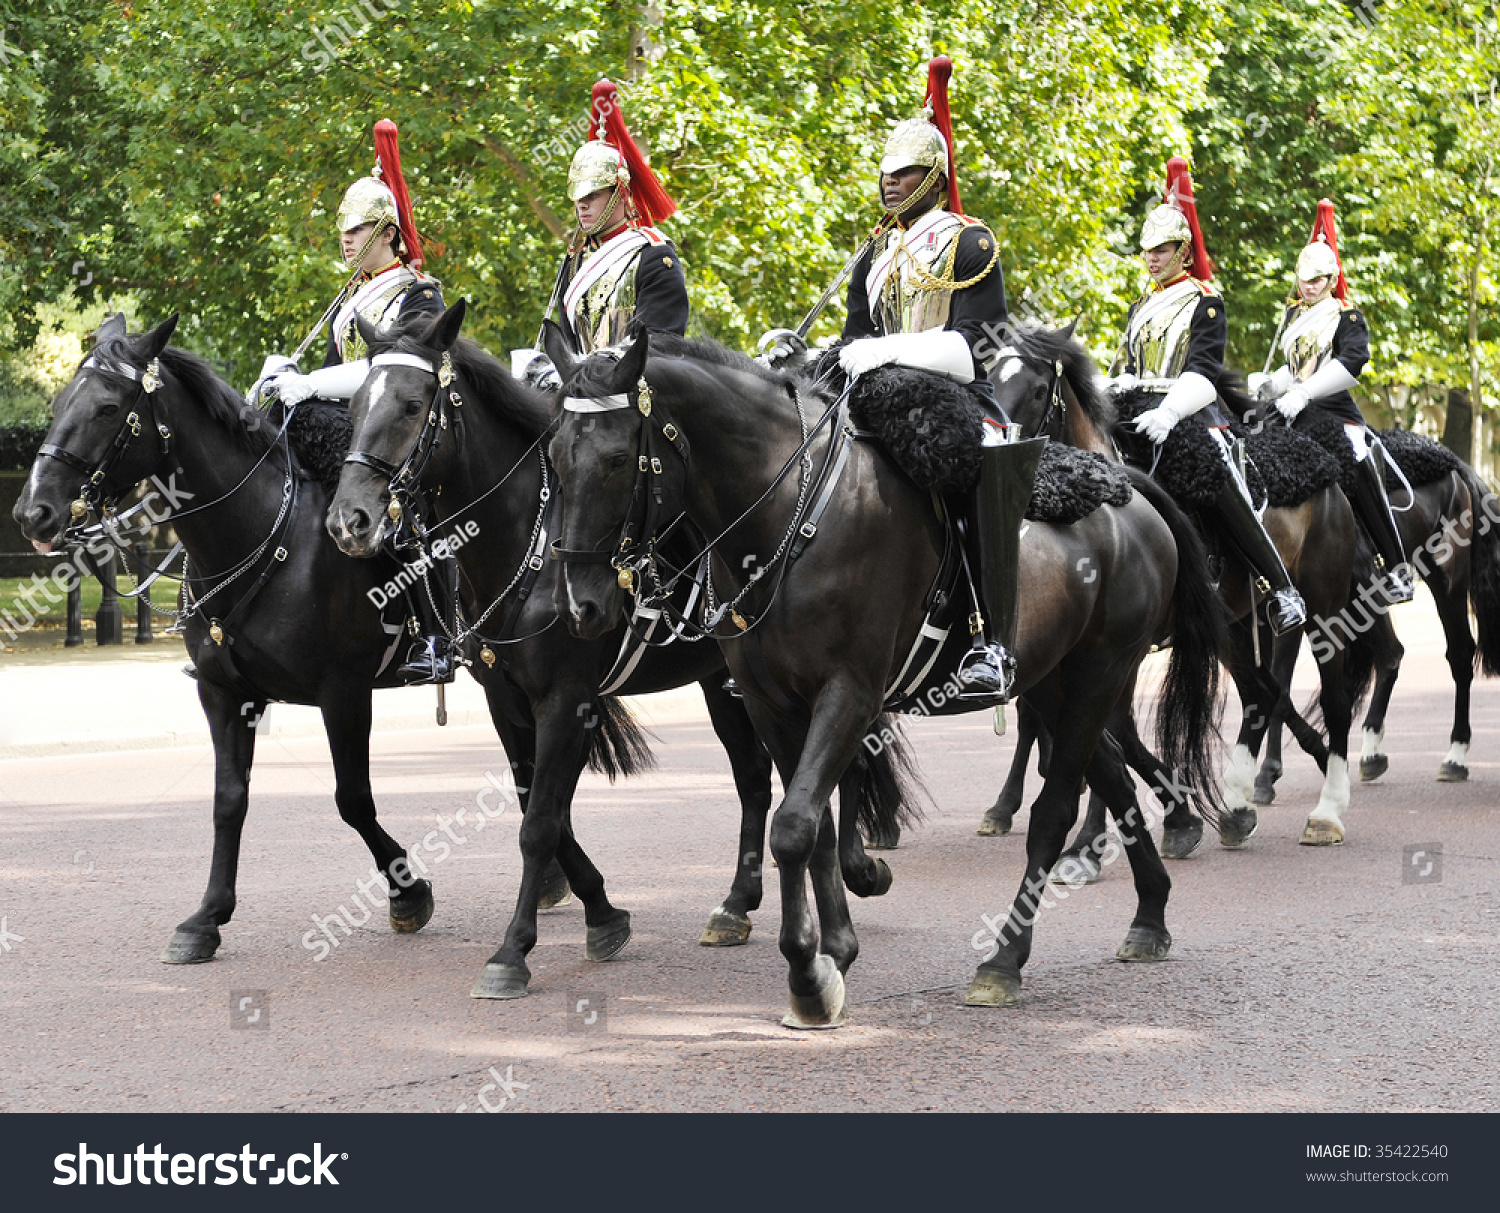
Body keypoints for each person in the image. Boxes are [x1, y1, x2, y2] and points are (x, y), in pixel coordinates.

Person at [787, 56, 1035, 701]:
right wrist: (811, 351)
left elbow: (980, 344)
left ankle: (989, 639)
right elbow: (854, 338)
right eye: (886, 172)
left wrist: (887, 351)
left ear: (934, 176)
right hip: (871, 386)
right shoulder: (874, 251)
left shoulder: (969, 241)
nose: (890, 182)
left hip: (951, 394)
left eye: (905, 172)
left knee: (969, 463)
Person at [251, 120, 454, 684]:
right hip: (354, 418)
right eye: (342, 230)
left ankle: (435, 635)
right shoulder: (352, 294)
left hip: (401, 426)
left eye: (356, 229)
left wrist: (313, 383)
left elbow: (397, 372)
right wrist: (288, 375)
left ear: (386, 231)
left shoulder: (419, 291)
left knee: (413, 512)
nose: (344, 239)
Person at [1099, 156, 1308, 635]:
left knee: (1213, 470)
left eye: (1162, 248)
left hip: (1191, 410)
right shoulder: (1140, 305)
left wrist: (1170, 412)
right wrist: (1115, 385)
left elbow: (1204, 374)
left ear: (1183, 250)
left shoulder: (1205, 303)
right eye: (1147, 250)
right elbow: (1125, 365)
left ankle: (1281, 588)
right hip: (1134, 408)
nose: (1152, 257)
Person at [1249, 199, 1412, 603]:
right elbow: (1296, 367)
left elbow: (1351, 363)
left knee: (1358, 464)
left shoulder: (1347, 316)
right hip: (1291, 414)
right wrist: (1272, 386)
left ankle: (1398, 565)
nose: (1309, 286)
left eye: (1317, 280)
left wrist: (1304, 392)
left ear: (1331, 277)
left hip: (1335, 414)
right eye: (1304, 279)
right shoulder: (1293, 317)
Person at [514, 79, 688, 388]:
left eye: (592, 196)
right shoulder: (576, 261)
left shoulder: (653, 256)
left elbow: (662, 347)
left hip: (633, 397)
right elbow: (569, 344)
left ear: (621, 193)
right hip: (581, 393)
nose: (582, 206)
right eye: (578, 198)